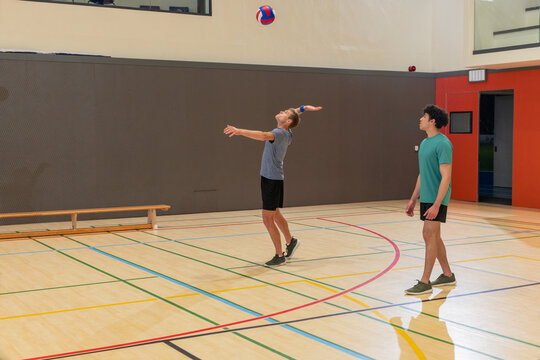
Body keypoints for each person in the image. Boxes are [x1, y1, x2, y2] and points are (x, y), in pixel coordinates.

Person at [224, 105, 322, 266]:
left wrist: (239, 131)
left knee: (267, 219)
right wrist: (303, 108)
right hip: (272, 178)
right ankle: (291, 242)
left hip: (271, 179)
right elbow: (294, 114)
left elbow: (263, 136)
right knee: (275, 213)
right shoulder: (288, 131)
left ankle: (279, 255)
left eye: (285, 112)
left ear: (288, 121)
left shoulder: (279, 133)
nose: (282, 111)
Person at [405, 105, 456, 294]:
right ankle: (448, 275)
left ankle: (425, 281)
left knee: (429, 235)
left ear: (432, 121)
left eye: (423, 116)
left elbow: (446, 177)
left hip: (437, 197)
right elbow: (422, 174)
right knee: (433, 236)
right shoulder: (425, 143)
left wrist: (437, 204)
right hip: (426, 196)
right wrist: (413, 199)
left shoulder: (443, 143)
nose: (420, 119)